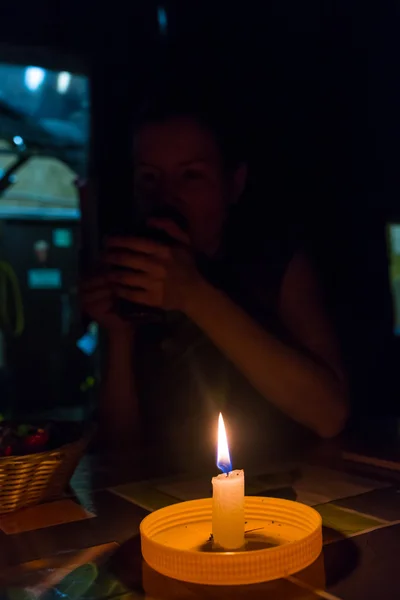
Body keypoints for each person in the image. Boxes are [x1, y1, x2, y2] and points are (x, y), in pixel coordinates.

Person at [81, 90, 349, 466]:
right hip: (168, 499)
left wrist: (195, 295)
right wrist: (118, 334)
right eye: (149, 178)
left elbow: (329, 414)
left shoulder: (275, 263)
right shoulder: (131, 273)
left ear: (233, 184)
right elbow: (121, 453)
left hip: (288, 489)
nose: (166, 197)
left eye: (191, 175)